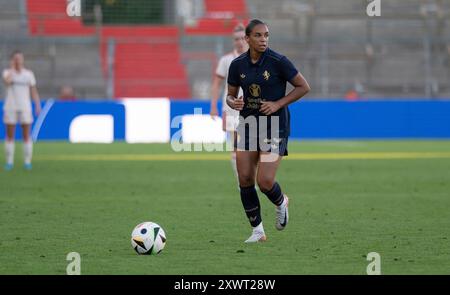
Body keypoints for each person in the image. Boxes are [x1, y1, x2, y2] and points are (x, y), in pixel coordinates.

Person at [226, 19, 310, 243]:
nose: (263, 40)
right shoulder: (237, 65)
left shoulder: (278, 61)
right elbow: (230, 94)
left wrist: (277, 104)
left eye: (266, 35)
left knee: (264, 182)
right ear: (247, 39)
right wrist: (232, 101)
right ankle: (257, 231)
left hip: (275, 127)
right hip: (248, 126)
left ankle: (281, 201)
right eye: (258, 35)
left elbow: (304, 86)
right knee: (244, 178)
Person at [210, 23, 249, 182]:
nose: (239, 42)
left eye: (241, 38)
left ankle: (253, 178)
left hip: (252, 108)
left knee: (253, 146)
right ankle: (242, 182)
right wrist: (213, 105)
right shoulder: (226, 60)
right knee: (235, 147)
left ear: (247, 39)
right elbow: (217, 83)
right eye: (236, 39)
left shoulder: (256, 59)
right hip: (231, 108)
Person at [2, 50, 41, 170]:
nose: (18, 60)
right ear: (12, 60)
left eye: (20, 58)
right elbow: (7, 82)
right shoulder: (7, 72)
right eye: (16, 58)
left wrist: (37, 104)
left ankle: (27, 161)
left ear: (23, 60)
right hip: (10, 106)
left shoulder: (28, 74)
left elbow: (33, 90)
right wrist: (12, 69)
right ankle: (9, 162)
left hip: (25, 106)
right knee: (9, 135)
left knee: (26, 135)